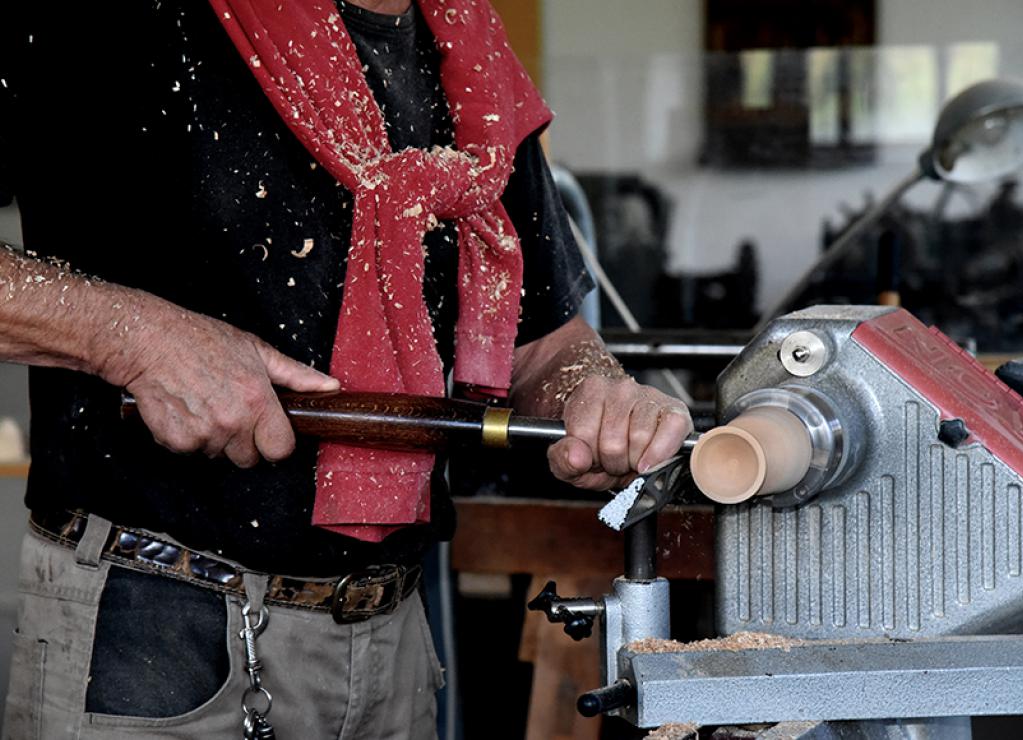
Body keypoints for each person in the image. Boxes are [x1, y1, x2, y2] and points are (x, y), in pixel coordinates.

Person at [0, 1, 692, 738]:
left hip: (391, 639)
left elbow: (546, 343)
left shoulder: (472, 59)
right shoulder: (113, 21)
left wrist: (596, 391)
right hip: (157, 634)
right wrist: (134, 339)